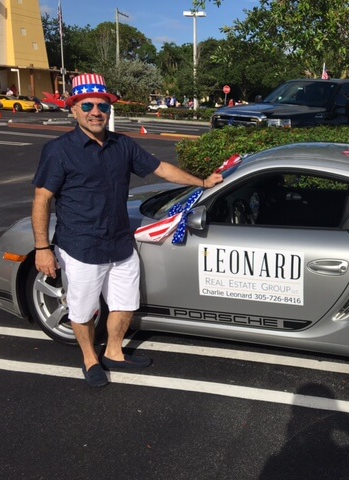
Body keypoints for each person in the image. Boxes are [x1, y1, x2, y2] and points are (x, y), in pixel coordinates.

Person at [31, 73, 223, 388]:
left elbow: (160, 169)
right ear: (74, 110)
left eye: (102, 106)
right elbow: (42, 199)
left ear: (109, 110)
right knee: (82, 308)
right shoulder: (59, 150)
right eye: (88, 105)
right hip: (81, 246)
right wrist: (42, 248)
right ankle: (91, 358)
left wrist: (202, 182)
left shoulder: (123, 145)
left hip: (120, 243)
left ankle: (115, 352)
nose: (96, 112)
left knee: (125, 303)